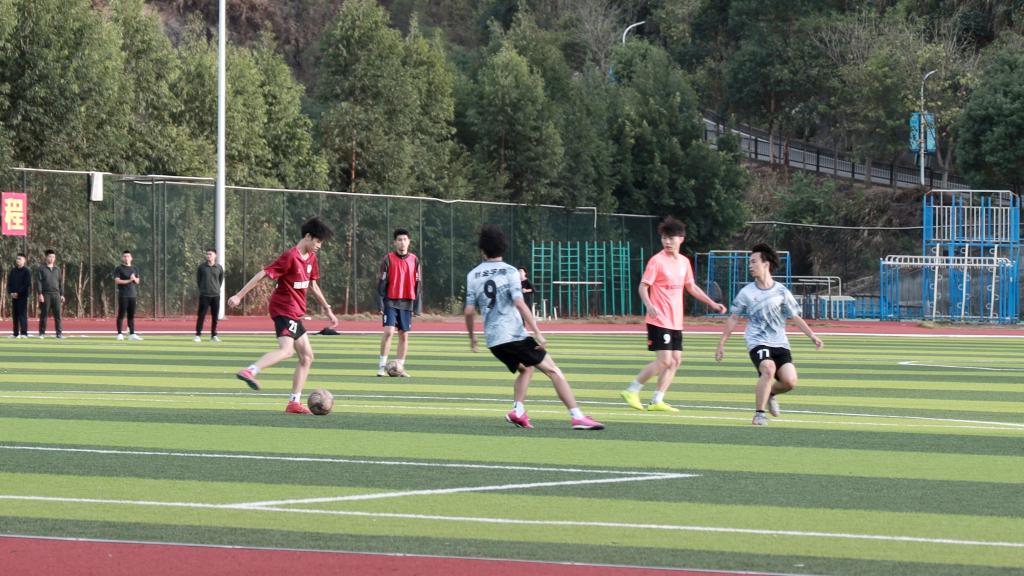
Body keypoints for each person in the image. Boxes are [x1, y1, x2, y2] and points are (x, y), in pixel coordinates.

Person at [464, 224, 604, 431]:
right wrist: (537, 331)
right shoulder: (510, 271)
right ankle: (578, 417)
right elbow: (520, 303)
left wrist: (472, 338)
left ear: (482, 249)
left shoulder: (473, 275)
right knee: (554, 370)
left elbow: (468, 311)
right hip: (514, 336)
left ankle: (518, 411)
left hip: (494, 340)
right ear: (503, 247)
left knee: (526, 369)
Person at [229, 217, 338, 415]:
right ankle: (250, 371)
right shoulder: (290, 257)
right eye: (318, 241)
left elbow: (313, 285)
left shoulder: (311, 258)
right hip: (284, 309)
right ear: (307, 236)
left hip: (295, 312)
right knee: (287, 350)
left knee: (307, 356)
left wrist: (327, 308)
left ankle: (293, 403)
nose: (319, 246)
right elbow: (263, 274)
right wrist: (239, 295)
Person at [620, 217, 727, 412]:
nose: (667, 242)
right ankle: (632, 390)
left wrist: (711, 303)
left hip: (675, 321)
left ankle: (657, 400)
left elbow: (691, 287)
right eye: (664, 238)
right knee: (665, 361)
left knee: (676, 361)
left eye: (671, 238)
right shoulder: (656, 261)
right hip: (659, 319)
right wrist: (649, 304)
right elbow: (643, 286)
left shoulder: (684, 262)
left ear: (681, 239)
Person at [715, 243, 823, 426]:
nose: (750, 265)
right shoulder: (746, 292)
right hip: (757, 341)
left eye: (754, 262)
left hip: (779, 343)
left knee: (790, 382)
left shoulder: (781, 291)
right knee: (768, 368)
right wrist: (721, 343)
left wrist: (812, 335)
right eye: (749, 262)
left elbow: (795, 316)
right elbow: (733, 318)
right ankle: (759, 414)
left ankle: (770, 393)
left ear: (766, 264)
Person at [376, 228, 421, 377]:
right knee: (389, 332)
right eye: (399, 240)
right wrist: (380, 302)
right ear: (395, 242)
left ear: (409, 242)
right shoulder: (388, 259)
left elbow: (418, 283)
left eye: (405, 239)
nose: (402, 242)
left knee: (404, 335)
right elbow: (381, 282)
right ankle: (382, 367)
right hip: (390, 300)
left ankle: (400, 368)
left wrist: (417, 306)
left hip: (407, 301)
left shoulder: (414, 260)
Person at [195, 248, 224, 342]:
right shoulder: (201, 267)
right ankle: (198, 335)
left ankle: (214, 335)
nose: (208, 256)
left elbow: (220, 280)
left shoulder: (219, 268)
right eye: (207, 254)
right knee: (201, 315)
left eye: (210, 254)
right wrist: (203, 290)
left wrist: (216, 289)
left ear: (215, 255)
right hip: (204, 295)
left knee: (215, 316)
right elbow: (198, 280)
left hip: (215, 295)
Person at [36, 249, 65, 339]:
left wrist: (62, 294)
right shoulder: (41, 269)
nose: (52, 259)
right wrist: (40, 294)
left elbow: (60, 282)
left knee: (58, 315)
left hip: (56, 295)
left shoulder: (57, 269)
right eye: (50, 257)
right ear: (46, 257)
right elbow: (39, 282)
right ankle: (42, 333)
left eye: (53, 257)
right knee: (44, 315)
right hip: (46, 294)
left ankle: (59, 333)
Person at [114, 250, 142, 341]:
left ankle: (132, 334)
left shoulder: (135, 268)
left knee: (131, 315)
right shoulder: (118, 268)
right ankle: (119, 334)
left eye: (128, 256)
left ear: (131, 258)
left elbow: (137, 281)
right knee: (121, 314)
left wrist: (134, 279)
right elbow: (117, 281)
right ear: (122, 258)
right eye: (125, 256)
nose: (126, 258)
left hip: (132, 295)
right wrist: (129, 280)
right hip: (123, 295)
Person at [8, 254, 30, 338]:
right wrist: (11, 292)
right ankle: (15, 333)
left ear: (24, 260)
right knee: (15, 315)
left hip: (22, 296)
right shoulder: (13, 271)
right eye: (17, 259)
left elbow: (26, 284)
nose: (18, 260)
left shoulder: (26, 271)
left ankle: (24, 333)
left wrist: (18, 293)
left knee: (22, 315)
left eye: (20, 259)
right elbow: (9, 283)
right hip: (14, 296)